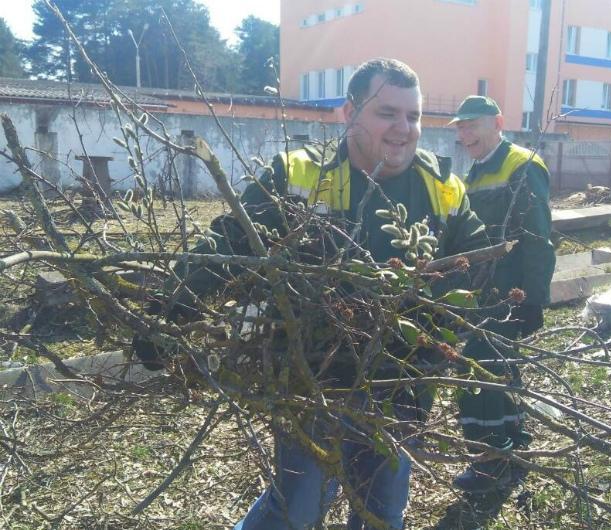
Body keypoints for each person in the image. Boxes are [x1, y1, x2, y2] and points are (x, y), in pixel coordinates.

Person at [134, 59, 488, 530]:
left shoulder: (443, 187)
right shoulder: (299, 176)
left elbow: (476, 268)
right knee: (298, 507)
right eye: (387, 113)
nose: (404, 129)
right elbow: (230, 244)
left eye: (414, 115)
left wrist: (434, 333)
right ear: (349, 113)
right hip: (311, 377)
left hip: (401, 383)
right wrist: (172, 312)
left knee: (382, 508)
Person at [449, 95, 555, 493]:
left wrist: (532, 298)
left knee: (483, 376)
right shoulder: (474, 174)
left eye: (471, 124)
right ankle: (513, 450)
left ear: (498, 122)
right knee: (498, 372)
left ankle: (490, 464)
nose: (464, 133)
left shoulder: (522, 166)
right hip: (477, 296)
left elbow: (538, 237)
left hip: (504, 297)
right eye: (460, 127)